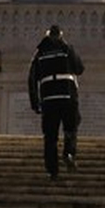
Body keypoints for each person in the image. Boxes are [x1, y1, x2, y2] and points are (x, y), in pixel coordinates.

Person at [28, 23, 84, 178]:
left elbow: (32, 78)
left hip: (49, 99)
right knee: (71, 129)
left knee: (50, 137)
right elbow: (79, 68)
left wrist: (35, 102)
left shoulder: (39, 53)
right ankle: (69, 153)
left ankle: (52, 170)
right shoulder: (67, 49)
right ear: (60, 35)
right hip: (67, 96)